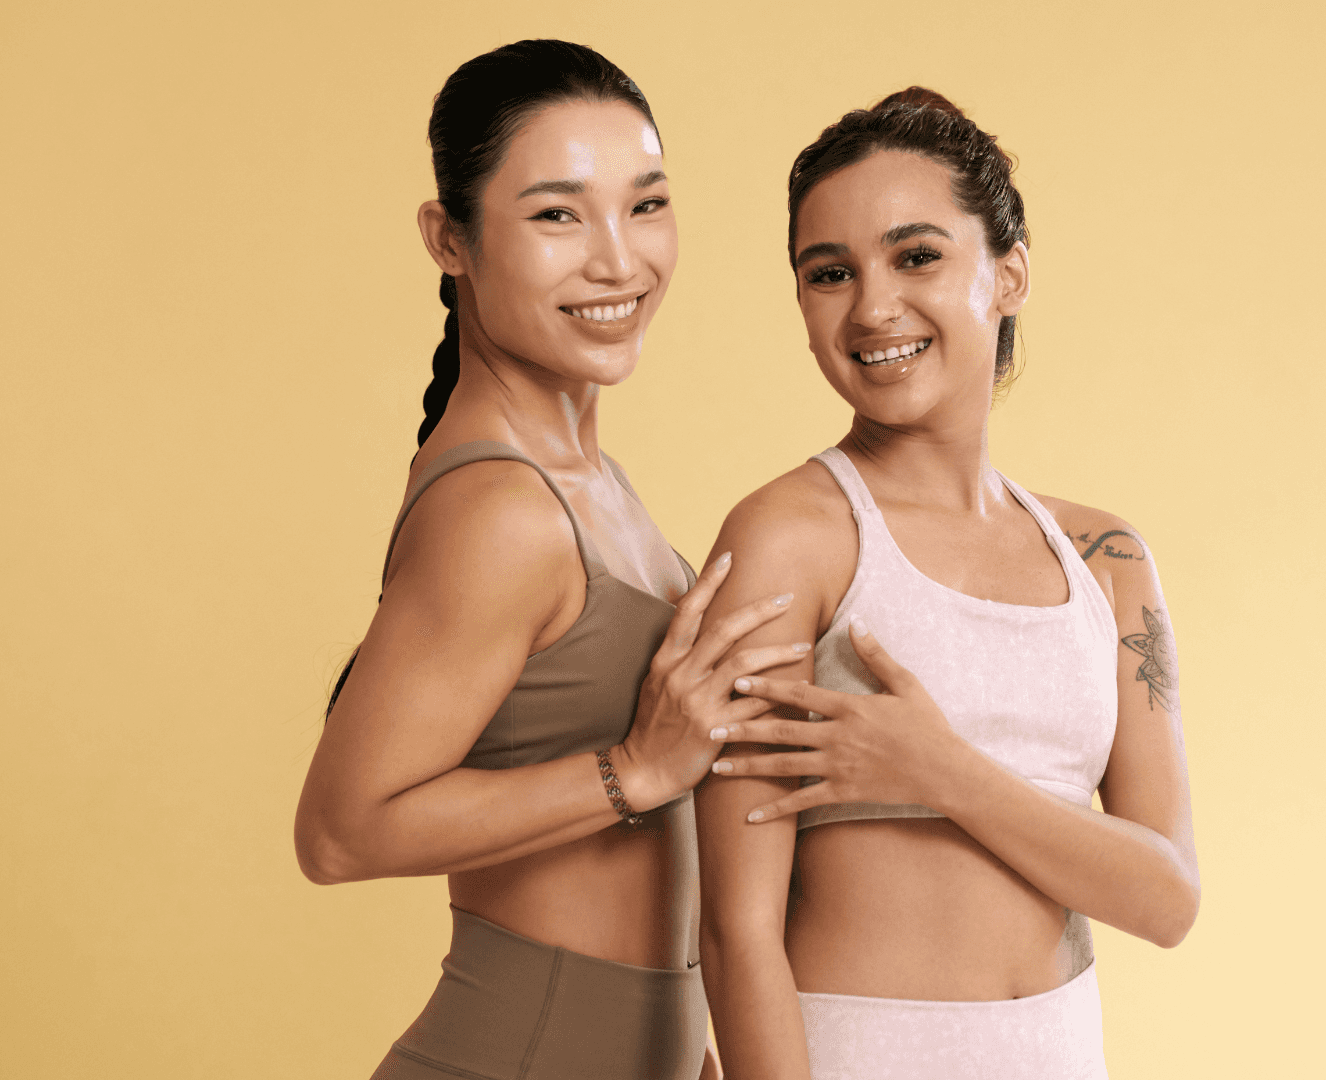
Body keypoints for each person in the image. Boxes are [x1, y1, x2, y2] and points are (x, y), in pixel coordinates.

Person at [293, 40, 803, 1080]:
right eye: (558, 215)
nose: (618, 261)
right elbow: (340, 834)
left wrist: (687, 1044)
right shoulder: (504, 510)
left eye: (645, 205)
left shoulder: (588, 481)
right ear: (450, 239)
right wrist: (638, 769)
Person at [693, 88, 1200, 1080]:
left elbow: (1166, 898)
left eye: (916, 256)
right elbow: (734, 931)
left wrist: (942, 772)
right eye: (830, 273)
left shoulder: (1106, 559)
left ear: (1009, 274)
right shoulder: (789, 541)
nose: (872, 307)